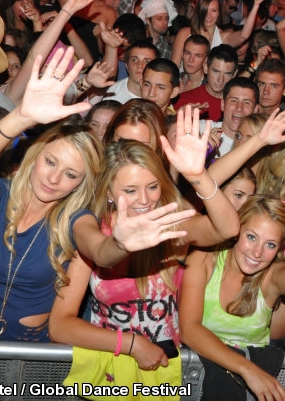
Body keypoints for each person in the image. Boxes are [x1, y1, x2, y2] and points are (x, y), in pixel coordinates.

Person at [0, 47, 196, 342]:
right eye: (50, 162)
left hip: (27, 360)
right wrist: (21, 117)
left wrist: (120, 243)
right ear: (35, 155)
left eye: (71, 174)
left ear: (80, 184)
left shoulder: (74, 219)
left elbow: (100, 250)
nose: (54, 178)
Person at [48, 107, 241, 373]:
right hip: (109, 369)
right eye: (130, 190)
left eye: (152, 187)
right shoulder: (94, 230)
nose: (144, 200)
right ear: (109, 193)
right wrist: (132, 344)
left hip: (165, 368)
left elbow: (228, 229)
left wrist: (199, 176)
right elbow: (59, 326)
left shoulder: (168, 224)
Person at [179, 163, 285, 401]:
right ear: (237, 230)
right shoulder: (204, 258)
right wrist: (247, 369)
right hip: (193, 386)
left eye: (270, 244)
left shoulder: (270, 277)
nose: (257, 252)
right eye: (251, 237)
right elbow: (189, 329)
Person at [170, 0, 267, 67]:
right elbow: (174, 67)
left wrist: (256, 5)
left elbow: (244, 35)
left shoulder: (222, 37)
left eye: (214, 11)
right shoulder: (184, 33)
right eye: (205, 10)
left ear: (218, 13)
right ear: (199, 11)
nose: (209, 15)